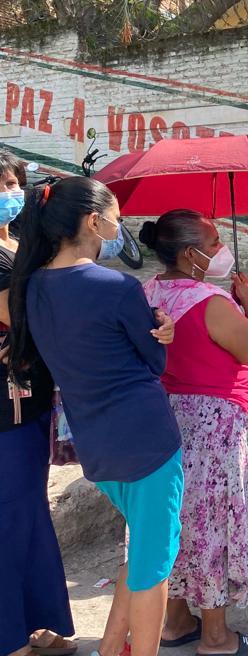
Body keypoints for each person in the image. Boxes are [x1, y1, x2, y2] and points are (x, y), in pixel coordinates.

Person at [9, 178, 180, 656]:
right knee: (154, 566)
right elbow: (154, 361)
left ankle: (111, 648)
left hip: (94, 441)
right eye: (116, 218)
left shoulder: (32, 287)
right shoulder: (117, 286)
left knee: (144, 546)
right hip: (145, 438)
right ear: (93, 221)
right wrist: (163, 331)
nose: (118, 227)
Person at [139, 210, 248, 656]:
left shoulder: (148, 291)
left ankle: (175, 620)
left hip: (168, 416)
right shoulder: (209, 300)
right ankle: (216, 636)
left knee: (174, 518)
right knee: (212, 520)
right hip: (217, 422)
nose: (221, 252)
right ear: (190, 253)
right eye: (214, 244)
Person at [0, 152, 76, 656]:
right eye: (1, 183)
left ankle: (35, 621)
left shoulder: (14, 244)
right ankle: (8, 638)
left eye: (13, 181)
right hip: (6, 411)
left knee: (29, 515)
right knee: (10, 518)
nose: (9, 190)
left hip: (30, 402)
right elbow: (22, 319)